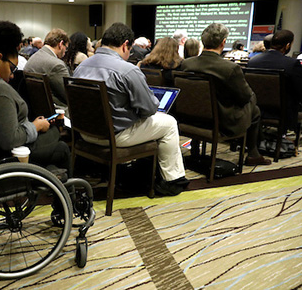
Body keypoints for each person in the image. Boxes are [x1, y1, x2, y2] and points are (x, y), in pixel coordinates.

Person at [74, 23, 188, 196]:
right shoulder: (127, 70)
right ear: (125, 44)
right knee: (169, 122)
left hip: (86, 133)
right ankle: (172, 180)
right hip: (114, 137)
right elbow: (149, 108)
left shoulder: (82, 66)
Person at [0, 21, 70, 174]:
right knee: (56, 135)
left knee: (56, 144)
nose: (13, 74)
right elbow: (10, 139)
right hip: (7, 156)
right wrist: (36, 126)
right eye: (12, 68)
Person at [181, 23, 271, 166]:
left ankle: (196, 147)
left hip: (192, 119)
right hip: (222, 122)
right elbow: (245, 97)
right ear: (223, 42)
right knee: (255, 109)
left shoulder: (187, 64)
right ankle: (253, 153)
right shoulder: (230, 68)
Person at [247, 29, 302, 130]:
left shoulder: (253, 61)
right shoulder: (292, 64)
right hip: (283, 113)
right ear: (287, 46)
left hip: (255, 109)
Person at [24, 28, 70, 110]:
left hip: (35, 110)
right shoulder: (56, 65)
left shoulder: (33, 57)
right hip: (57, 112)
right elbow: (69, 95)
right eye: (66, 47)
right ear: (61, 44)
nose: (65, 52)